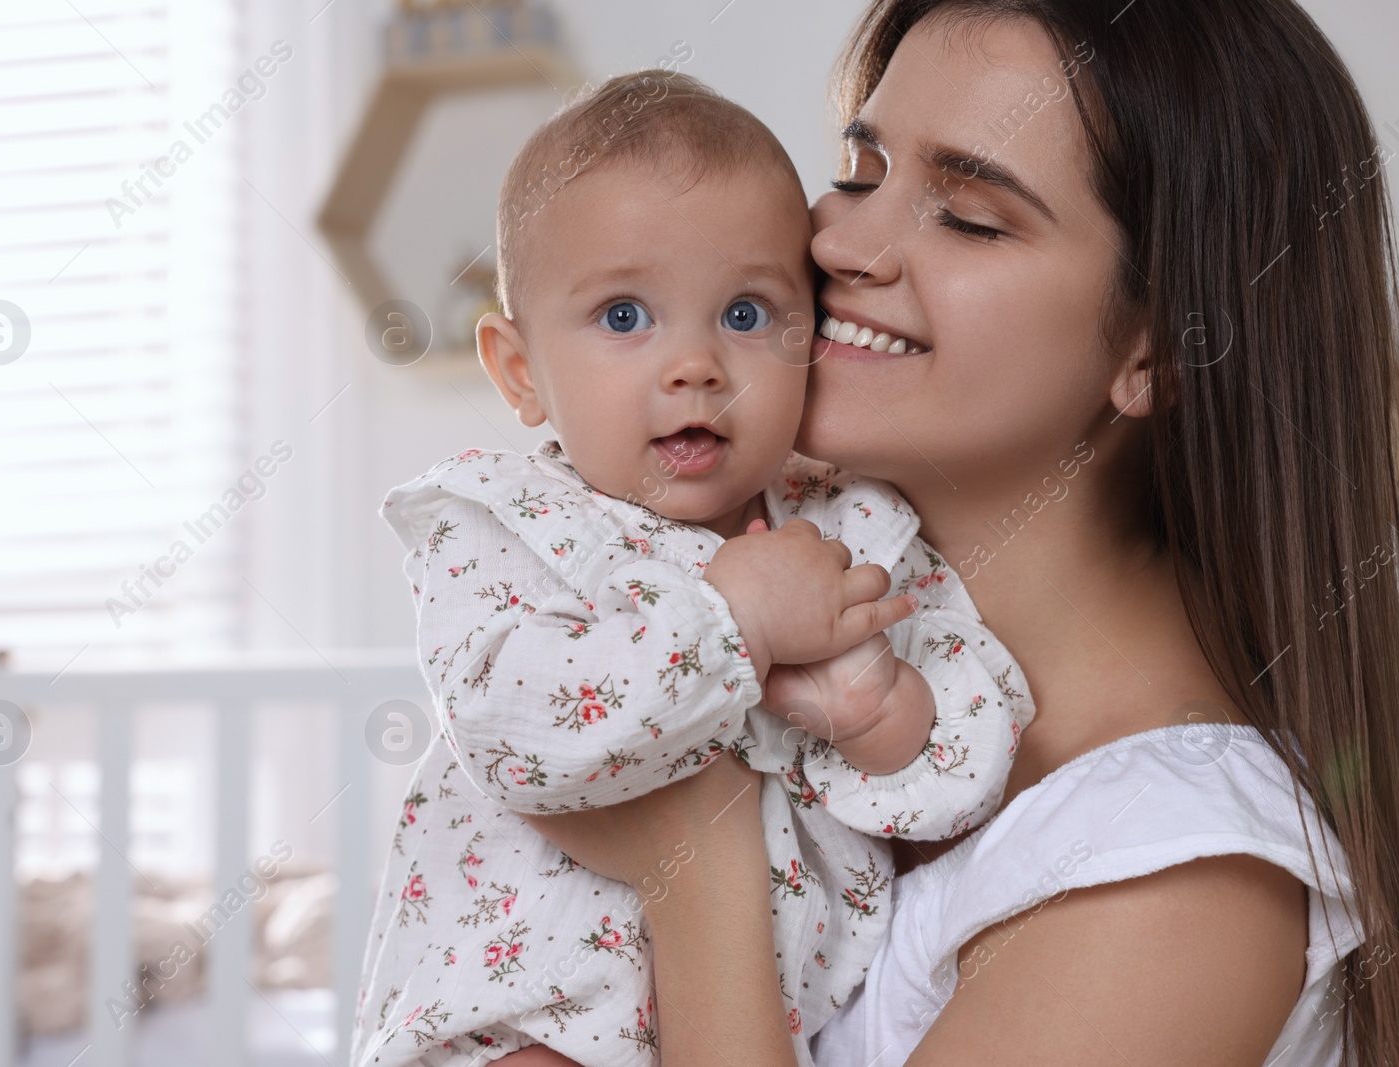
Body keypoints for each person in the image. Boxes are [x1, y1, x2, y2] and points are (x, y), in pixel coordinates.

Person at [519, 1, 1399, 1064]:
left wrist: (692, 860)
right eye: (857, 170)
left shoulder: (1174, 882)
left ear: (1156, 351)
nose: (838, 242)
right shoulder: (767, 628)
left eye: (969, 217)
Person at [351, 73, 1035, 1066]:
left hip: (756, 1017)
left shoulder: (852, 532)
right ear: (519, 371)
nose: (696, 365)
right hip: (521, 1020)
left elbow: (970, 752)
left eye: (748, 314)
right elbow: (513, 735)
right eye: (624, 316)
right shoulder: (506, 524)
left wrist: (880, 709)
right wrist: (731, 625)